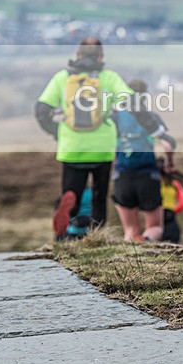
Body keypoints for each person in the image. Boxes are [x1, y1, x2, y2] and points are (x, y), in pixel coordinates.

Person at [35, 37, 134, 241]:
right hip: (102, 146)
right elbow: (130, 100)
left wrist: (57, 131)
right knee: (99, 195)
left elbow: (41, 110)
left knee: (72, 194)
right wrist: (112, 118)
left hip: (72, 147)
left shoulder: (62, 78)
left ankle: (65, 234)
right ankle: (96, 236)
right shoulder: (108, 77)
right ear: (100, 56)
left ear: (77, 54)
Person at [110, 79, 177, 242]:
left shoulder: (116, 118)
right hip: (148, 175)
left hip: (122, 175)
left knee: (130, 229)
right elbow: (167, 145)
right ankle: (146, 242)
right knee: (155, 227)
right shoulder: (151, 118)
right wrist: (169, 163)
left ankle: (130, 256)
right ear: (145, 96)